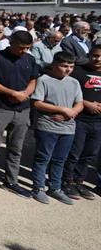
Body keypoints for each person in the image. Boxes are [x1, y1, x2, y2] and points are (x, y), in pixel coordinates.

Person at [0, 30, 39, 198]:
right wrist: (12, 93)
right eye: (21, 47)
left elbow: (34, 80)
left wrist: (25, 93)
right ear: (11, 43)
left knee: (16, 148)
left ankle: (11, 181)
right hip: (0, 107)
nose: (24, 51)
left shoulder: (30, 59)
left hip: (22, 109)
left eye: (27, 47)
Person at [30, 52, 83, 205]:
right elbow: (37, 103)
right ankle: (38, 188)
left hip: (68, 128)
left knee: (60, 160)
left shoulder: (74, 82)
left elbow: (79, 103)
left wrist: (71, 112)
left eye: (71, 66)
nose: (68, 70)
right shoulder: (44, 80)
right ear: (54, 65)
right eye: (64, 66)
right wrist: (62, 109)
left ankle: (55, 188)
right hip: (47, 126)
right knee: (43, 158)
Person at [62, 44, 101, 200]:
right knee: (74, 153)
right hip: (80, 120)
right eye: (95, 55)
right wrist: (86, 103)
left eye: (100, 56)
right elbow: (68, 93)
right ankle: (67, 182)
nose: (97, 59)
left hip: (98, 122)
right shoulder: (79, 72)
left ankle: (79, 182)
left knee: (90, 154)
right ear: (89, 55)